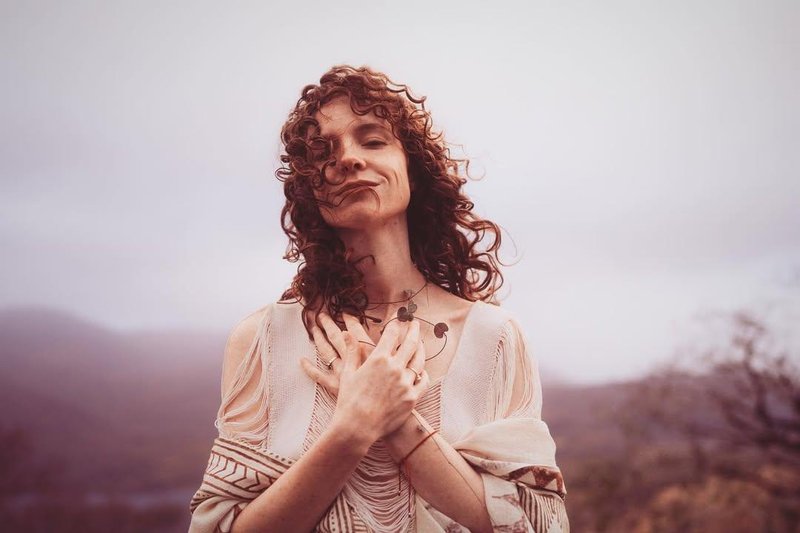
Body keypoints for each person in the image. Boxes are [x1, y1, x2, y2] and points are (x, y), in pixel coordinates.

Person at [188, 65, 568, 532]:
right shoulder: (262, 341)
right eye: (324, 152)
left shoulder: (495, 339)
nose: (348, 158)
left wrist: (399, 422)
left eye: (372, 140)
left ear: (412, 168)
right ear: (310, 188)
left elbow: (538, 524)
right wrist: (353, 428)